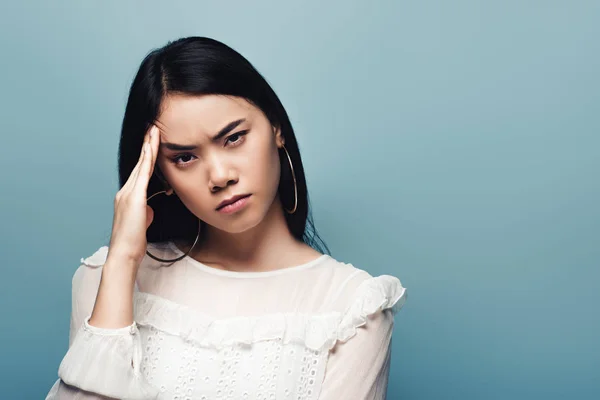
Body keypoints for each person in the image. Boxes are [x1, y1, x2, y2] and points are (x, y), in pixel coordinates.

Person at [45, 36, 407, 400]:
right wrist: (122, 261)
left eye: (234, 138)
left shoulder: (353, 310)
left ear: (277, 128)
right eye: (184, 158)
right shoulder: (105, 281)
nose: (219, 176)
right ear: (160, 176)